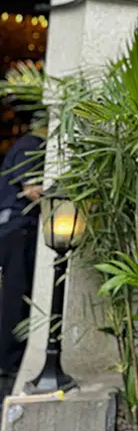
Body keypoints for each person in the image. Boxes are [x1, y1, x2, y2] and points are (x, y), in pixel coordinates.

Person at [0, 124, 45, 378]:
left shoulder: (26, 145)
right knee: (17, 294)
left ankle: (10, 357)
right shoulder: (31, 146)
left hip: (15, 228)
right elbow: (32, 190)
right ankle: (10, 359)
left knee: (15, 293)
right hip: (19, 229)